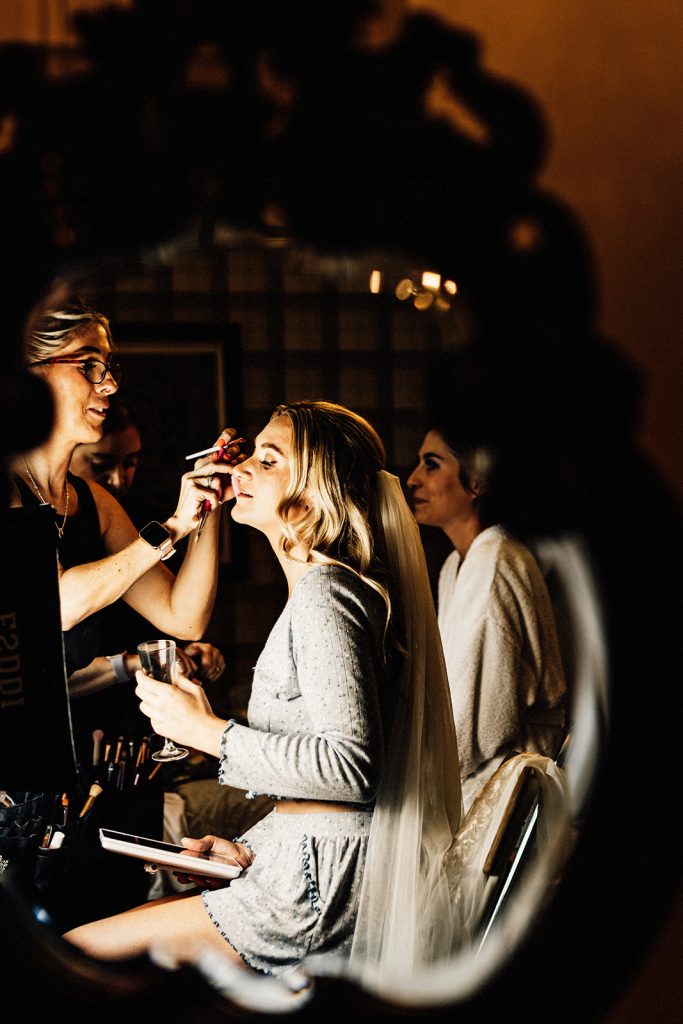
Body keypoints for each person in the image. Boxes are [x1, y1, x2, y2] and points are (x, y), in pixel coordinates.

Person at [63, 400, 463, 995]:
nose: (241, 469)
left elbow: (353, 772)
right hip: (297, 869)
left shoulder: (327, 595)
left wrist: (206, 731)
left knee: (73, 958)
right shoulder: (321, 590)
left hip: (315, 894)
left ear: (313, 489)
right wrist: (244, 852)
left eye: (267, 459)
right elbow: (320, 803)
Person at [8, 300, 231, 691]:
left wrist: (206, 507)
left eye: (109, 367)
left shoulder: (95, 504)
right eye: (89, 365)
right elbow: (58, 605)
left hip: (48, 739)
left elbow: (184, 617)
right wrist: (174, 526)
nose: (110, 383)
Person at [406, 419, 567, 814]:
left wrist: (414, 773)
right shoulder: (456, 566)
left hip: (504, 788)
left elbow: (478, 723)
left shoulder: (495, 561)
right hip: (473, 773)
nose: (412, 480)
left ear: (476, 480)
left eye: (431, 465)